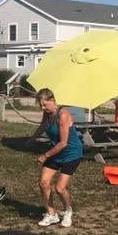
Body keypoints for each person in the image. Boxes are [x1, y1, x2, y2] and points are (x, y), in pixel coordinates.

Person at [34, 89, 84, 227]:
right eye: (41, 106)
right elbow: (43, 126)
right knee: (43, 183)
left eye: (45, 105)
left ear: (52, 100)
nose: (43, 108)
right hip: (57, 152)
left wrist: (45, 155)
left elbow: (63, 143)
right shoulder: (47, 113)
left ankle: (68, 211)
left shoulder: (63, 115)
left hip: (71, 153)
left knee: (59, 188)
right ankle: (51, 214)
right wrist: (31, 139)